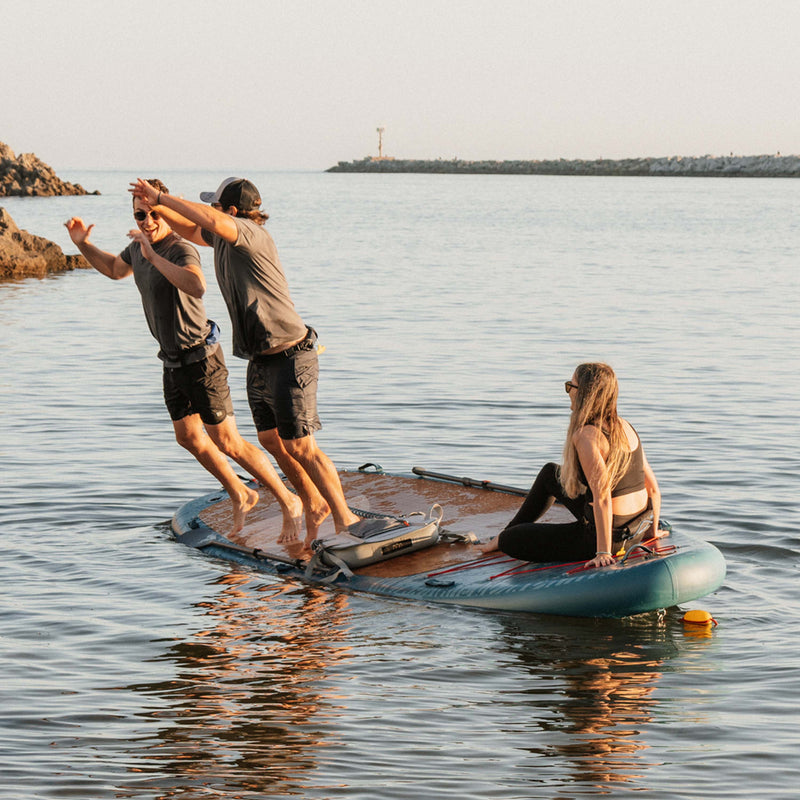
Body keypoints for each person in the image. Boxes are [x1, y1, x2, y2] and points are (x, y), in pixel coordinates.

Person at [129, 176, 394, 547]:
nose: (211, 214)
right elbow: (191, 226)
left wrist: (159, 196)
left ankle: (346, 517)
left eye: (216, 206)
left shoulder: (249, 234)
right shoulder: (223, 239)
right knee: (271, 440)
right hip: (260, 358)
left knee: (302, 446)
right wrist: (156, 205)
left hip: (291, 354)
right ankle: (313, 503)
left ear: (232, 212)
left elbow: (206, 219)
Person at [65, 180, 304, 537]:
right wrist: (84, 244)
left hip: (201, 356)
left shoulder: (178, 250)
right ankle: (240, 492)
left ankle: (288, 498)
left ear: (166, 214)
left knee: (227, 441)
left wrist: (153, 257)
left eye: (152, 213)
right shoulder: (138, 247)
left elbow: (197, 286)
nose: (146, 221)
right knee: (189, 437)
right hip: (172, 359)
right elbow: (116, 269)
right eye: (139, 214)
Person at [478, 362, 663, 568]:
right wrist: (652, 531)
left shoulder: (587, 435)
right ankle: (506, 532)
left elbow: (602, 496)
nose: (568, 392)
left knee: (510, 541)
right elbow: (653, 488)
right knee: (551, 473)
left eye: (570, 386)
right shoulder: (625, 426)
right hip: (638, 527)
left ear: (584, 393)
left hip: (608, 538)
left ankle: (502, 538)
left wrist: (603, 552)